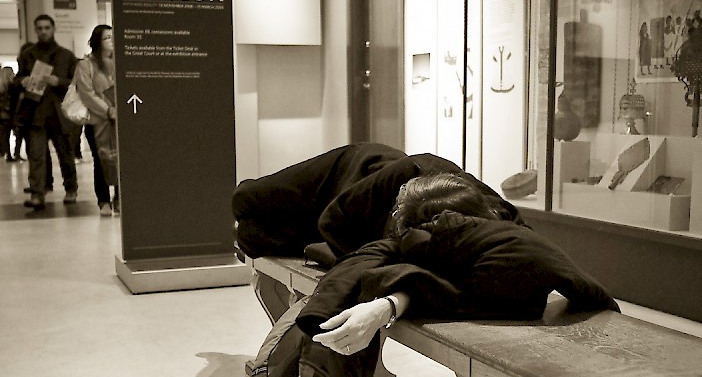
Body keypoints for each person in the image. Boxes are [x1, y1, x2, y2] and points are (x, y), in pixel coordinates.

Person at [233, 144, 618, 376]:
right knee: (248, 201)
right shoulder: (411, 170)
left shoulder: (499, 223)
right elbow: (332, 223)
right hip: (346, 182)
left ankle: (247, 237)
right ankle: (248, 220)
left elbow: (554, 270)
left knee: (254, 236)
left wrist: (392, 295)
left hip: (376, 227)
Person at [15, 14, 78, 210]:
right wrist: (22, 82)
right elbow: (17, 79)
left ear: (53, 29)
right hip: (35, 113)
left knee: (65, 154)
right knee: (36, 155)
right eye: (39, 28)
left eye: (47, 28)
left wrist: (59, 82)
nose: (43, 31)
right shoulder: (27, 55)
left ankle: (71, 189)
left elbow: (77, 84)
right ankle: (37, 194)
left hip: (60, 113)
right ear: (35, 30)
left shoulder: (66, 55)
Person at [74, 24, 119, 216]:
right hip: (97, 121)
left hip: (119, 121)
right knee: (101, 159)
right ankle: (103, 200)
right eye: (107, 37)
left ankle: (119, 197)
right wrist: (108, 109)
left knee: (120, 160)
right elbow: (86, 93)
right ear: (97, 41)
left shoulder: (120, 62)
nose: (111, 41)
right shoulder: (85, 65)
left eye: (112, 37)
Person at [0, 67, 14, 159]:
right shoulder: (11, 86)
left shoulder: (1, 86)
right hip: (7, 113)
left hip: (1, 113)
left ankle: (3, 152)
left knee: (2, 134)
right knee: (6, 135)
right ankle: (8, 154)